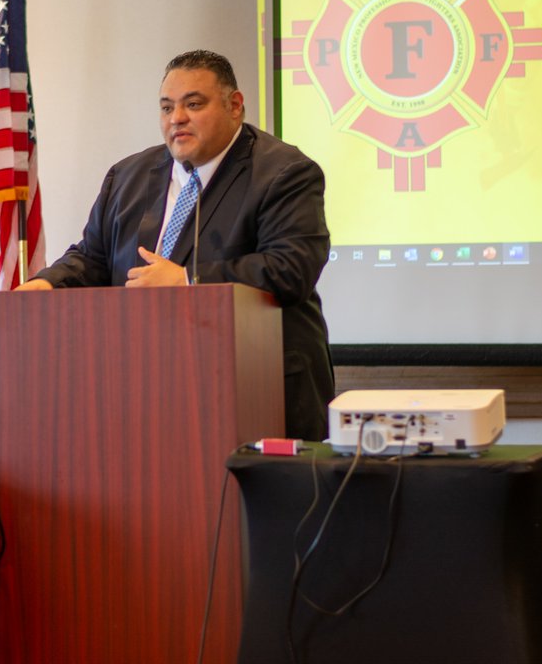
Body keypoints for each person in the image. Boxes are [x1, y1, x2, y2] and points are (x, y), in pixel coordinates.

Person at [18, 50, 335, 440]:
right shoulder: (127, 176)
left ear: (235, 106)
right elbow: (94, 258)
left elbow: (291, 268)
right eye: (167, 107)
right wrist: (47, 284)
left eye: (194, 104)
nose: (176, 118)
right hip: (148, 392)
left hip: (256, 390)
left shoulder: (284, 173)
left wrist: (187, 279)